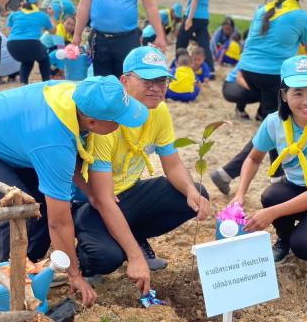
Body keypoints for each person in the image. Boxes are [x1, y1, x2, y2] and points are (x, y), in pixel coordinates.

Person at [0, 76, 149, 306]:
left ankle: (31, 267)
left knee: (40, 204)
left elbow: (73, 148)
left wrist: (91, 192)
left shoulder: (82, 94)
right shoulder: (52, 140)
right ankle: (10, 287)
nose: (120, 126)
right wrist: (74, 275)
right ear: (91, 122)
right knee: (15, 209)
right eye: (117, 121)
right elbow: (60, 222)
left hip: (13, 135)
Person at [72, 46, 209, 295]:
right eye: (147, 80)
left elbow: (173, 163)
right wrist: (135, 257)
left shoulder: (160, 111)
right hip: (92, 201)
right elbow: (103, 198)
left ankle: (132, 237)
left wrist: (190, 189)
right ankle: (85, 253)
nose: (156, 87)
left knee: (194, 196)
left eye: (162, 80)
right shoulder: (107, 120)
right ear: (125, 81)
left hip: (127, 193)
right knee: (106, 259)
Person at [229, 55, 307, 271]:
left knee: (305, 246)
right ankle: (284, 240)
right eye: (298, 93)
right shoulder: (274, 123)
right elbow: (253, 158)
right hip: (296, 186)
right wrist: (240, 194)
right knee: (271, 196)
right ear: (284, 95)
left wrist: (273, 213)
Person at [210, 0, 307, 195]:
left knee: (275, 119)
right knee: (277, 123)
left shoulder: (262, 11)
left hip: (248, 71)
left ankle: (266, 175)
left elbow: (251, 43)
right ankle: (240, 173)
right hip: (274, 74)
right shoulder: (302, 17)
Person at [73, 0, 166, 78]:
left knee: (129, 82)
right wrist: (77, 35)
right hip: (99, 39)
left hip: (128, 39)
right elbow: (84, 3)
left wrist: (160, 35)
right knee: (103, 83)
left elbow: (150, 5)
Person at [7, 0, 56, 84]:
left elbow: (10, 29)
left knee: (27, 60)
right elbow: (53, 31)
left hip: (12, 45)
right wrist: (51, 16)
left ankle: (23, 84)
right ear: (37, 1)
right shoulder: (42, 15)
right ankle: (46, 83)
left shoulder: (15, 13)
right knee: (44, 58)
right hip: (31, 44)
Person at [176, 0, 214, 77]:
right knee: (204, 44)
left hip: (194, 15)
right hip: (204, 16)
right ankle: (210, 71)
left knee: (181, 41)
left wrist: (189, 18)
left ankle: (180, 66)